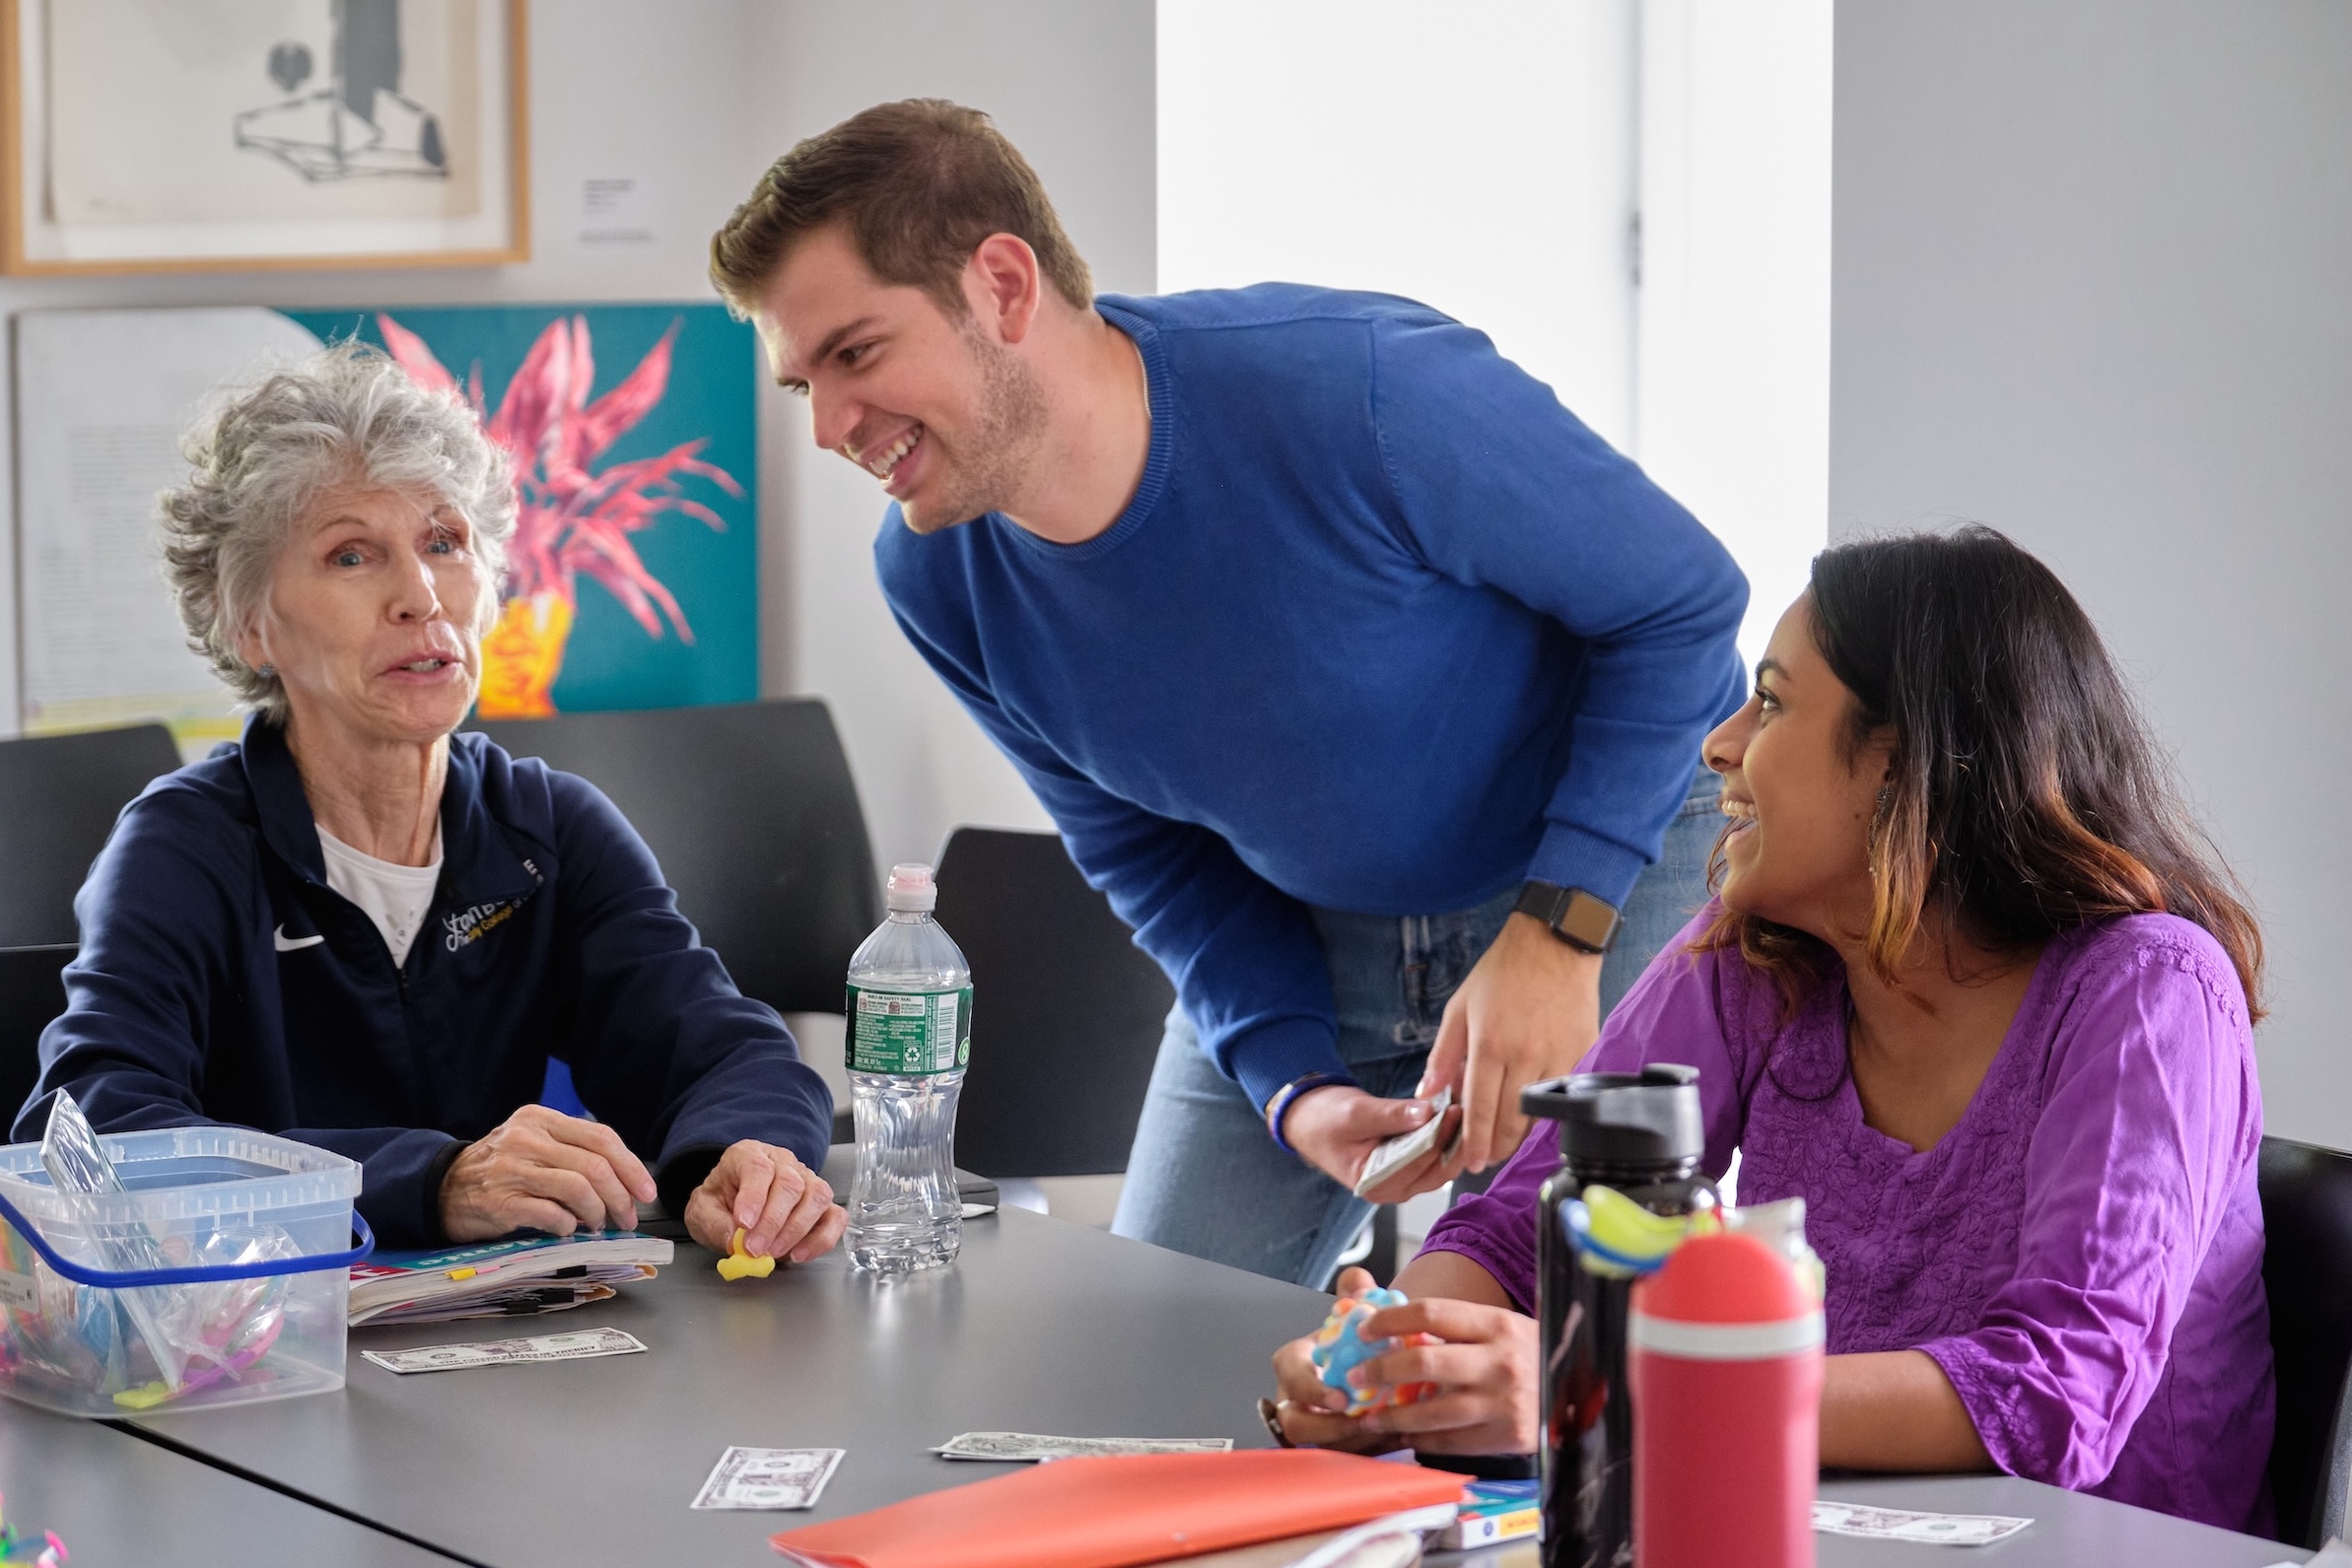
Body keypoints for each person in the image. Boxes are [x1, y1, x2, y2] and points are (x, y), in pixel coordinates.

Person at [709, 100, 1748, 1287]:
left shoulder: (1364, 391)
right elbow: (1153, 860)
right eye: (803, 385)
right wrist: (1294, 1088)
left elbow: (1681, 607)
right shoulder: (934, 575)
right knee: (1156, 1344)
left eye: (855, 354)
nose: (831, 428)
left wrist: (1559, 933)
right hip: (1316, 932)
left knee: (1554, 1322)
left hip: (1607, 866)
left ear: (1001, 286)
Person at [1265, 527, 2273, 1534]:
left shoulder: (2151, 989)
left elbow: (2053, 1393)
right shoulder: (1758, 954)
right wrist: (1397, 1355)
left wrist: (1603, 1384)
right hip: (1819, 1528)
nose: (1720, 742)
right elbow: (1523, 1230)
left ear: (1901, 764)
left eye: (1773, 702)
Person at [12, 345, 847, 1263]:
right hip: (259, 1329)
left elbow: (726, 1052)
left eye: (444, 543)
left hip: (509, 1322)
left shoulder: (549, 829)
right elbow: (90, 1131)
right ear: (248, 624)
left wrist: (744, 1158)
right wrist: (431, 1180)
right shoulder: (182, 845)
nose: (419, 596)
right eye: (351, 555)